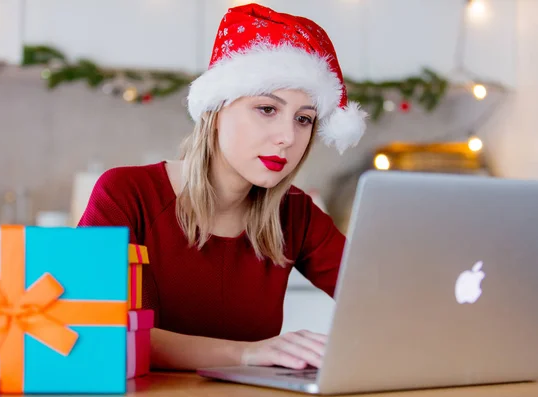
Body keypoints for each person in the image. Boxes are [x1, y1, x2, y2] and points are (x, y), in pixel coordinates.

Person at [78, 3, 367, 372]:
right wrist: (245, 354)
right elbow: (98, 328)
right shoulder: (127, 193)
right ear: (216, 111)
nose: (287, 137)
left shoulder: (296, 213)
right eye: (267, 109)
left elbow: (377, 299)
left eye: (304, 119)